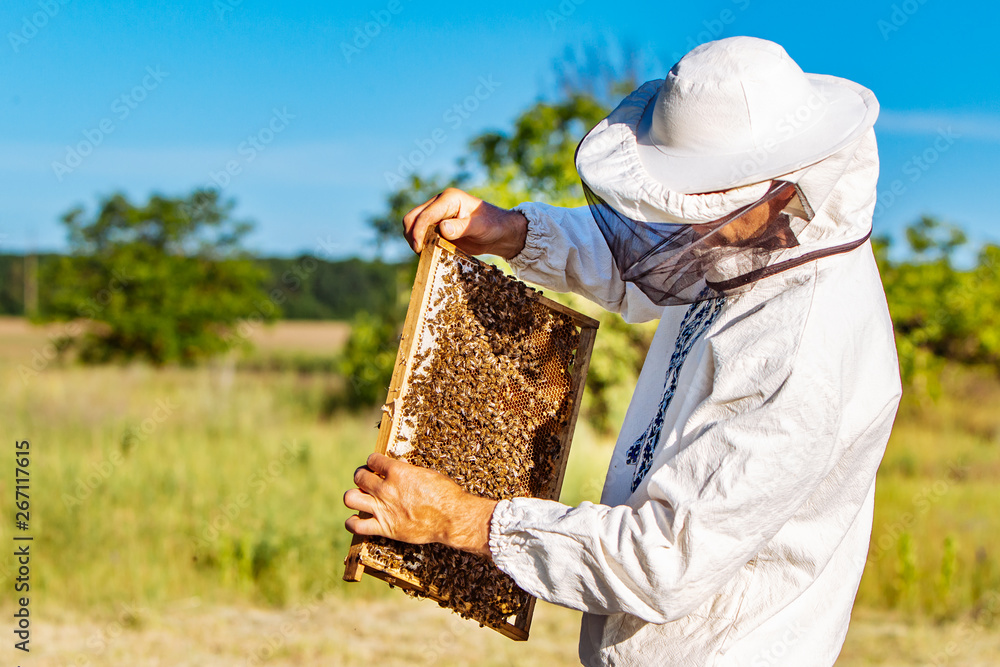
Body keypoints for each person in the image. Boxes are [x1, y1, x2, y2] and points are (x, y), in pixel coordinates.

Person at [344, 36, 901, 666]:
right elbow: (648, 263)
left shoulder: (803, 352)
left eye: (698, 207)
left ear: (776, 187)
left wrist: (461, 520)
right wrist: (515, 231)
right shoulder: (758, 240)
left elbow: (663, 557)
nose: (681, 230)